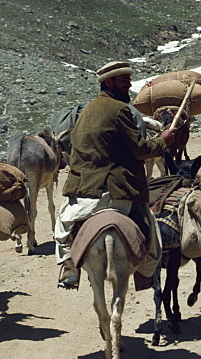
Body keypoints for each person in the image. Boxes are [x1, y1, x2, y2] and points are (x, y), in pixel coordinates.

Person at [54, 61, 176, 289]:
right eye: (124, 81)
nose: (128, 85)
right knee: (149, 227)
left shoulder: (86, 110)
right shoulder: (121, 110)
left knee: (63, 225)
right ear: (108, 82)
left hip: (83, 190)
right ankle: (146, 273)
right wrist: (164, 141)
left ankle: (69, 267)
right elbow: (140, 149)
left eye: (129, 80)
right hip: (116, 190)